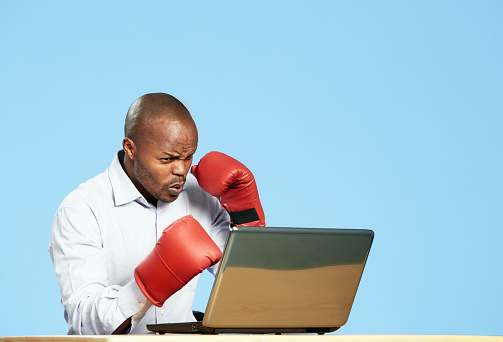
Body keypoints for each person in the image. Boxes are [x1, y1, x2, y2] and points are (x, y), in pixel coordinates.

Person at [49, 93, 266, 335]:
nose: (181, 171)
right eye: (167, 159)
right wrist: (150, 283)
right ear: (130, 149)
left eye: (188, 156)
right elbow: (84, 323)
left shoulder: (199, 196)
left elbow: (254, 290)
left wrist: (246, 221)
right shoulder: (82, 209)